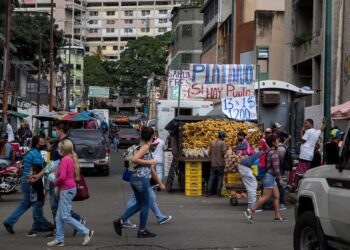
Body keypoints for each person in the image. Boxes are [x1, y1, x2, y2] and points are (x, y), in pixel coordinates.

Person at [33, 122, 85, 238]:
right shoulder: (57, 143)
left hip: (61, 180)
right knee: (56, 206)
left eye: (55, 129)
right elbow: (52, 162)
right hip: (55, 178)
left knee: (58, 206)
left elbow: (60, 164)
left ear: (61, 130)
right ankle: (62, 229)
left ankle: (74, 227)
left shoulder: (67, 143)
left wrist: (52, 176)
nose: (53, 132)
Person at [114, 127, 166, 238]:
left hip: (135, 179)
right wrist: (150, 161)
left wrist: (160, 183)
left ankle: (120, 221)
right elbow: (134, 159)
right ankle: (141, 230)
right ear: (152, 136)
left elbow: (151, 170)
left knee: (140, 203)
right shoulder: (145, 147)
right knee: (146, 204)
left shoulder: (141, 147)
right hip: (141, 180)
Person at [47, 139, 94, 247]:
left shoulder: (64, 159)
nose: (57, 150)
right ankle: (59, 239)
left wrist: (54, 180)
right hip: (69, 188)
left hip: (66, 189)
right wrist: (55, 173)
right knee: (59, 217)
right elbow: (63, 173)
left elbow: (62, 177)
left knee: (65, 216)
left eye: (59, 148)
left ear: (63, 149)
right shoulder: (70, 158)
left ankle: (87, 232)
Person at [3, 135, 53, 237]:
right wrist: (49, 155)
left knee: (26, 203)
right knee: (37, 204)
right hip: (32, 181)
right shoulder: (35, 154)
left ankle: (9, 221)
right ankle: (42, 225)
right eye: (42, 143)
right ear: (36, 144)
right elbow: (41, 169)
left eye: (44, 142)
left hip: (26, 181)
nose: (43, 144)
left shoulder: (32, 152)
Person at [244, 135, 287, 223]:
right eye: (277, 140)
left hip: (269, 176)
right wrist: (280, 179)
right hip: (270, 176)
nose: (278, 141)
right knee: (266, 196)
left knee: (276, 196)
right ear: (273, 142)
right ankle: (250, 210)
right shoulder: (274, 152)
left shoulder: (267, 151)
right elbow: (276, 167)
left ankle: (277, 216)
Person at [292, 118, 326, 191]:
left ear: (311, 124)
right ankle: (301, 186)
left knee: (299, 171)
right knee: (305, 171)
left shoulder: (308, 131)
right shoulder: (315, 132)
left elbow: (302, 140)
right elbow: (321, 129)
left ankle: (295, 186)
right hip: (310, 155)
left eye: (306, 123)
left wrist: (301, 132)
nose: (304, 125)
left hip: (304, 154)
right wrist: (324, 124)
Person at [207, 131, 228, 196]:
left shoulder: (212, 142)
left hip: (213, 163)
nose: (224, 138)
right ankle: (218, 193)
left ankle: (208, 192)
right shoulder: (223, 143)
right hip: (220, 164)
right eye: (224, 137)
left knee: (211, 178)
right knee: (220, 178)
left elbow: (209, 153)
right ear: (222, 137)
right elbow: (224, 153)